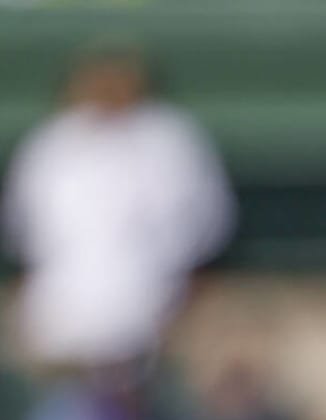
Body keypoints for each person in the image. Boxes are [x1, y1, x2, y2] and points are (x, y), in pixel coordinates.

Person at [3, 41, 233, 373]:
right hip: (61, 318)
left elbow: (204, 226)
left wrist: (181, 300)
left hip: (149, 313)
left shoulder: (169, 139)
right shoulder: (52, 143)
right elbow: (23, 229)